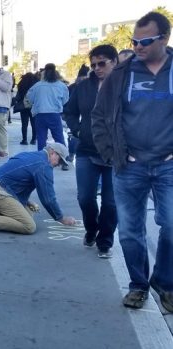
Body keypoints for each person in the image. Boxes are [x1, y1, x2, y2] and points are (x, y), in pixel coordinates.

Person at [92, 12, 173, 311]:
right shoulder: (121, 74)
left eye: (145, 41)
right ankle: (138, 285)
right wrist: (112, 154)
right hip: (129, 166)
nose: (138, 46)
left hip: (168, 166)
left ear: (164, 37)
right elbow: (99, 117)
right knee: (129, 231)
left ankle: (165, 282)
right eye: (134, 41)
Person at [65, 44, 118, 259]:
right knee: (85, 197)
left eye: (102, 63)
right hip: (87, 150)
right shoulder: (84, 87)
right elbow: (69, 111)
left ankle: (105, 241)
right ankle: (91, 228)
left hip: (116, 154)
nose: (97, 68)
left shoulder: (124, 86)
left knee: (111, 202)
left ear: (114, 62)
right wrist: (77, 130)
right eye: (93, 64)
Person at [0, 143, 76, 234]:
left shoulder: (32, 155)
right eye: (59, 160)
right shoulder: (44, 166)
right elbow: (48, 198)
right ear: (52, 152)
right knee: (28, 226)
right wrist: (61, 218)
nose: (59, 165)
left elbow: (16, 177)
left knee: (28, 213)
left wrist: (26, 201)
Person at [26, 63, 69, 159]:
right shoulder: (61, 85)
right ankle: (64, 159)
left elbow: (30, 98)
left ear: (43, 73)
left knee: (41, 138)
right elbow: (65, 99)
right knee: (58, 138)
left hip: (40, 114)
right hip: (54, 114)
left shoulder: (37, 86)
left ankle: (42, 158)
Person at [14, 72, 39, 145]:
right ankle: (33, 139)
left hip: (24, 106)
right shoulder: (36, 84)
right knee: (34, 123)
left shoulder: (22, 84)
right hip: (33, 106)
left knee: (24, 124)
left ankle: (24, 140)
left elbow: (18, 96)